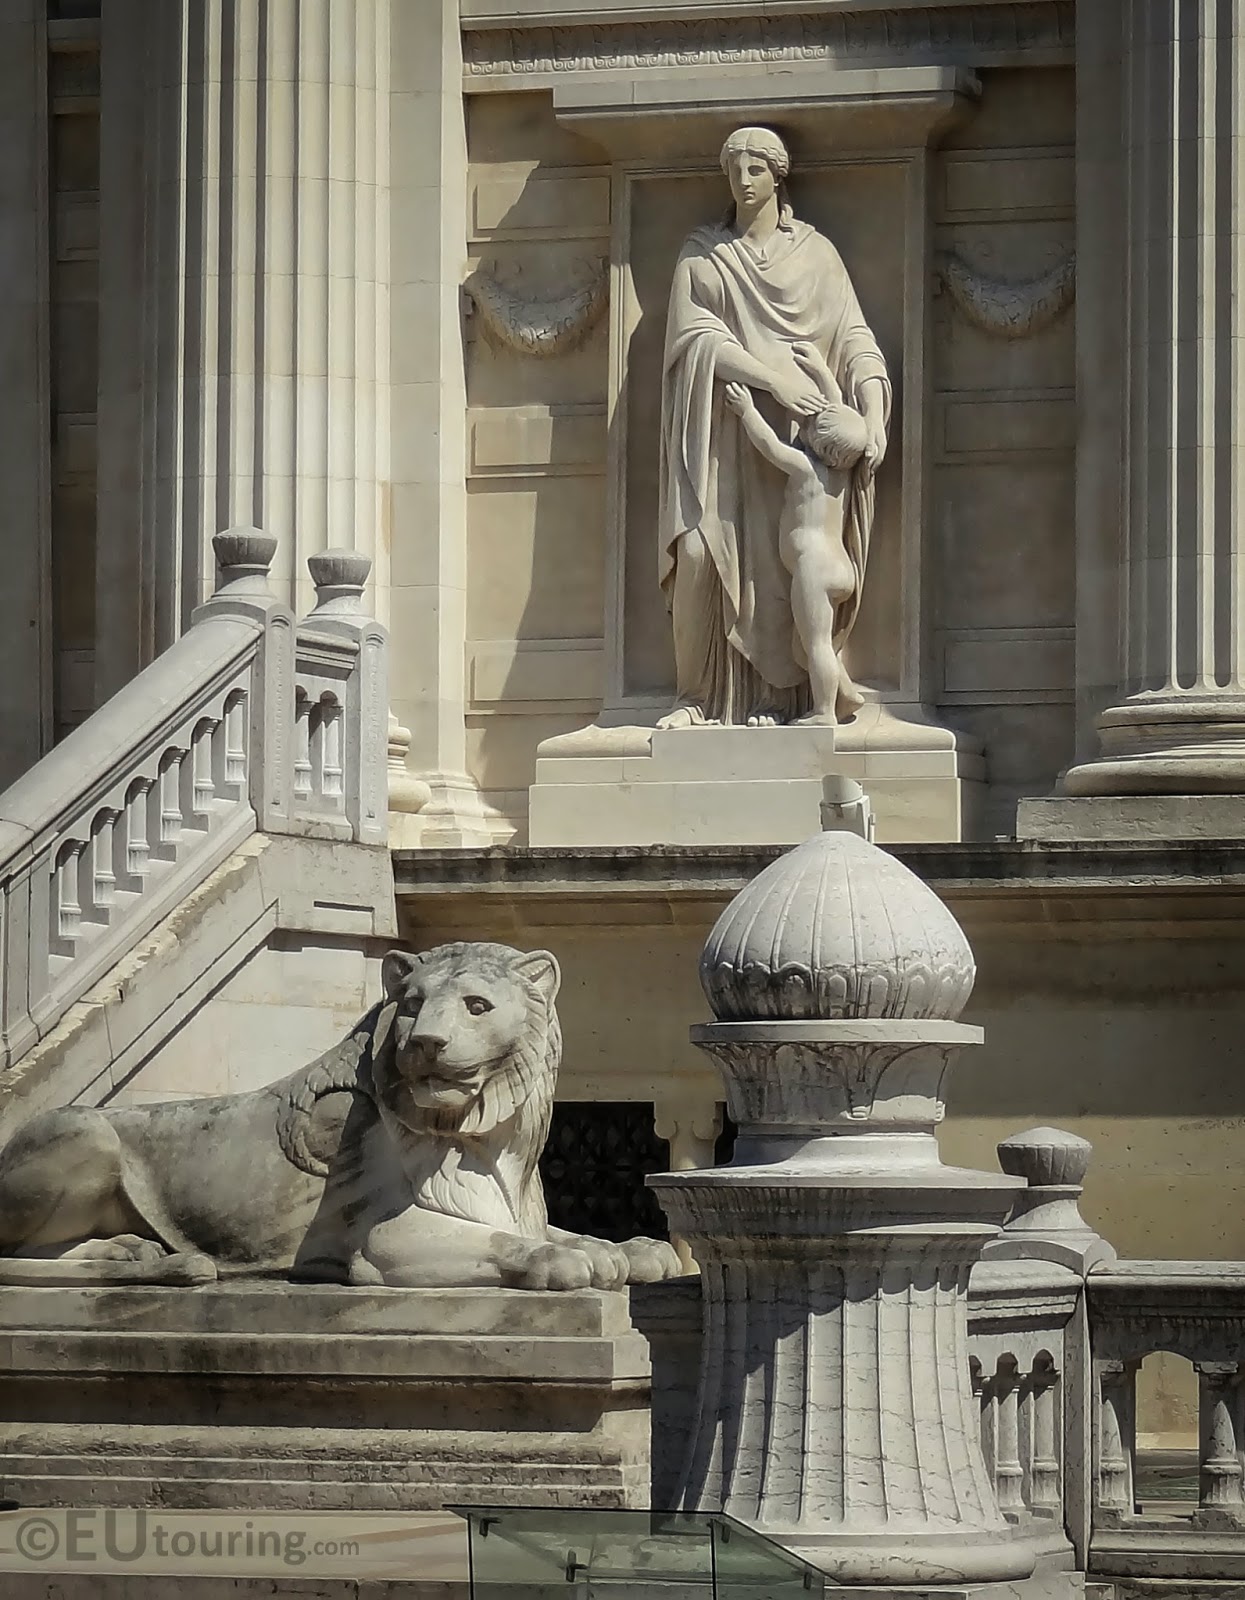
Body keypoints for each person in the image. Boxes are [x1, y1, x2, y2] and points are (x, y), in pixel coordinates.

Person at [659, 125, 891, 727]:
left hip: (801, 441)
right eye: (734, 169)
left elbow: (855, 342)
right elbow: (692, 336)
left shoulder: (817, 255)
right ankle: (697, 698)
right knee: (699, 555)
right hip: (720, 436)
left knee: (784, 577)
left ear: (778, 175)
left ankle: (781, 702)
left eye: (756, 168)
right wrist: (771, 380)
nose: (743, 179)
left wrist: (871, 415)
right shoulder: (703, 252)